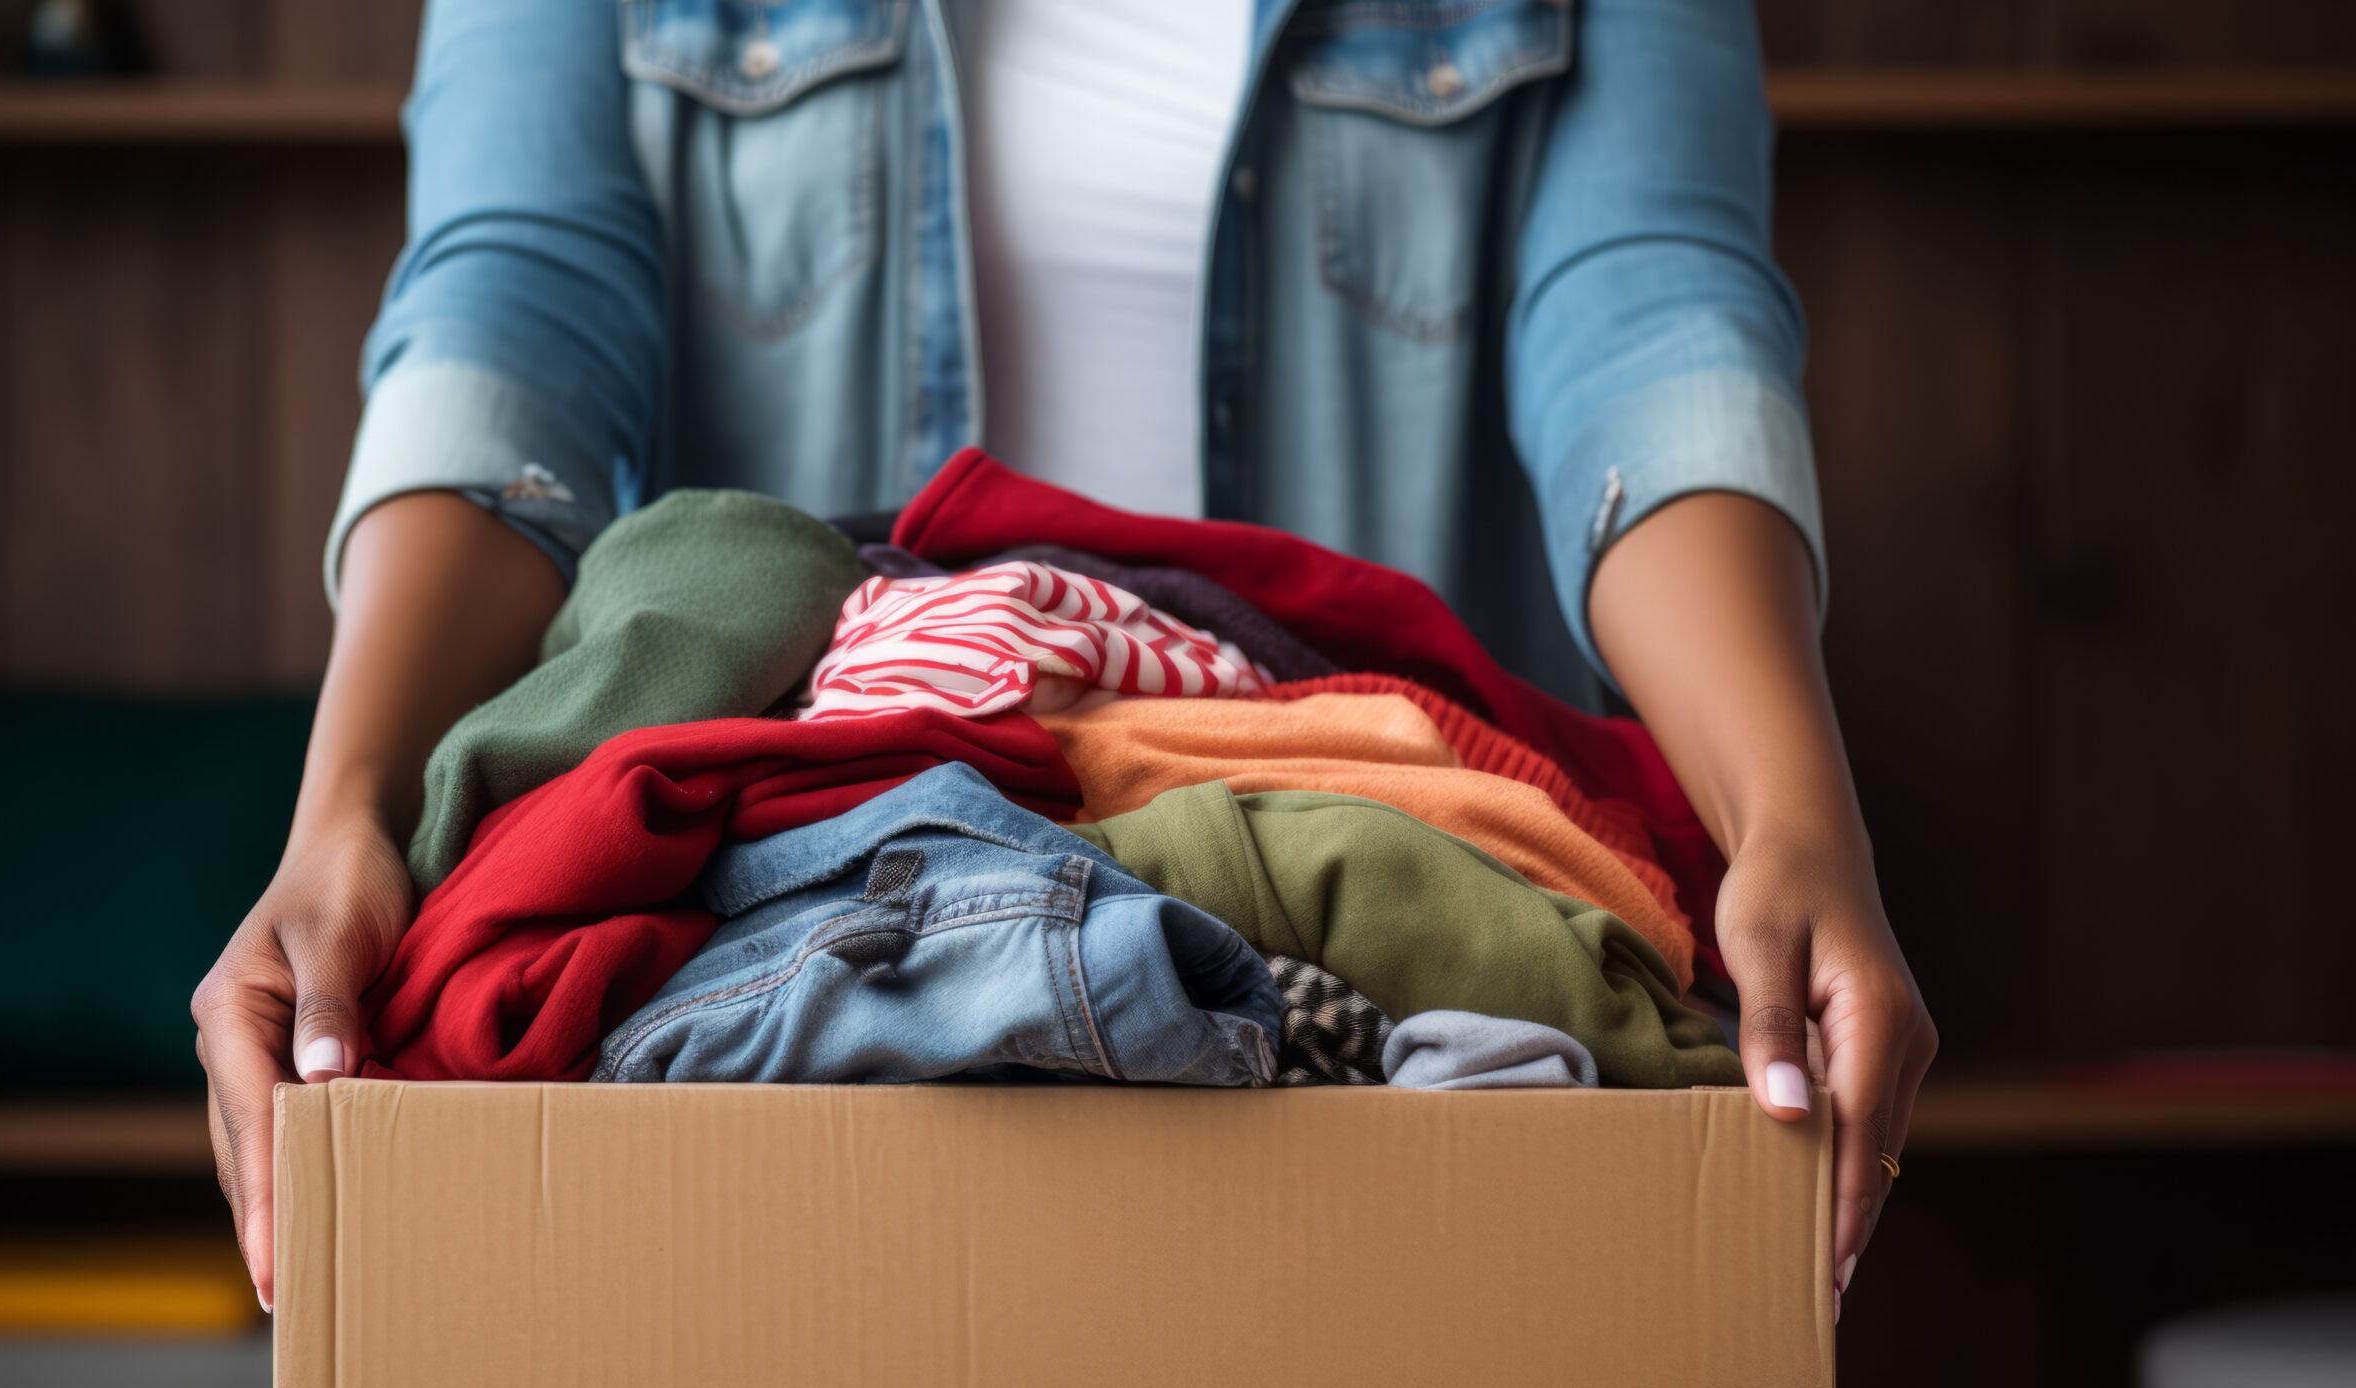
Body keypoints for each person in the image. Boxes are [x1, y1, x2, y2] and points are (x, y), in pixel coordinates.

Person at [193, 0, 1937, 1315]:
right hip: (791, 925)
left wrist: (1787, 810)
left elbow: (1646, 311)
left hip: (1413, 944)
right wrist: (348, 806)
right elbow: (518, 303)